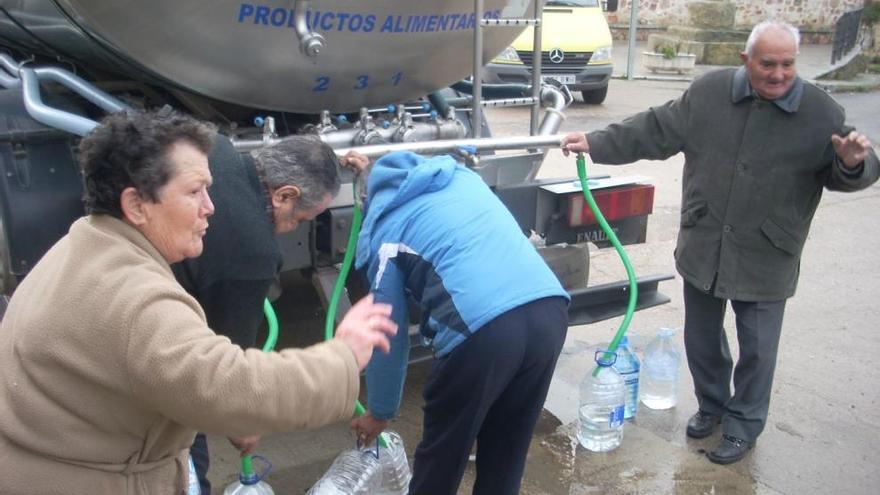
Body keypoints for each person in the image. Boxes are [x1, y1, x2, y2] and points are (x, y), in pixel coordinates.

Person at [0, 109, 397, 494]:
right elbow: (231, 389)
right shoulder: (136, 300)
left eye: (208, 187)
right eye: (194, 192)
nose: (211, 206)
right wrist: (343, 357)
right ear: (136, 205)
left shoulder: (80, 242)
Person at [561, 20, 879, 464]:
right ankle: (712, 406)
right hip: (706, 240)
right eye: (768, 63)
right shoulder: (709, 94)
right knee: (703, 338)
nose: (779, 74)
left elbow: (852, 169)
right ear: (746, 60)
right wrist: (594, 142)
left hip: (769, 252)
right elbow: (654, 129)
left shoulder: (820, 112)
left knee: (758, 349)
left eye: (788, 64)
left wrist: (851, 164)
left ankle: (743, 426)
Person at [347, 150, 570, 494]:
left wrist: (379, 411)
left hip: (484, 332)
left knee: (442, 458)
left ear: (368, 201)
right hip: (548, 310)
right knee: (506, 451)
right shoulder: (463, 180)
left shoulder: (386, 231)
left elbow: (386, 330)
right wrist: (370, 170)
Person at [171, 131, 364, 493]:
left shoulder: (218, 147)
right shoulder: (253, 254)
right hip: (156, 350)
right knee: (183, 456)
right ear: (283, 195)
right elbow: (226, 369)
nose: (297, 227)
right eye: (301, 218)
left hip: (121, 284)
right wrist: (242, 423)